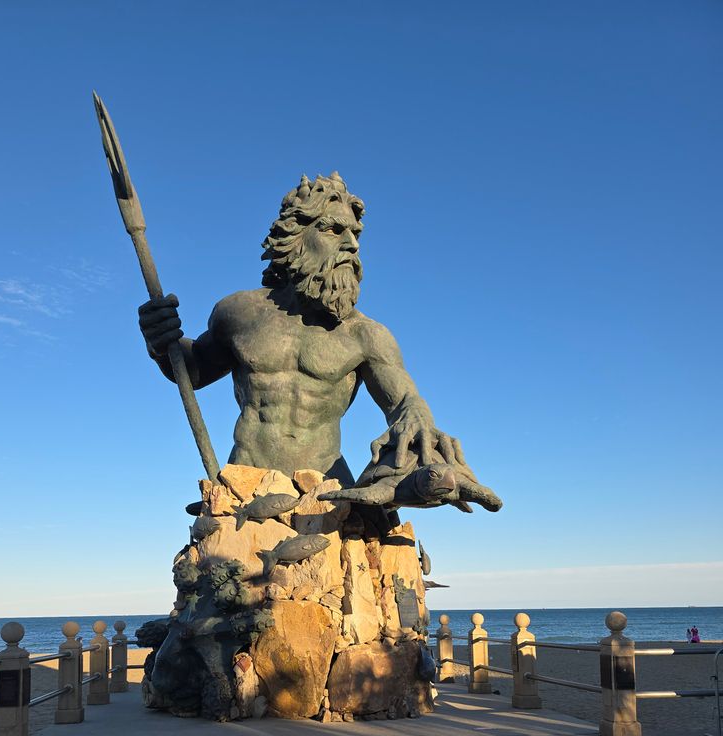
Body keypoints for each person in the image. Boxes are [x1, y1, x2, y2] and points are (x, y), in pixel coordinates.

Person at [138, 172, 498, 511]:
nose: (352, 244)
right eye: (334, 230)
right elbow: (193, 371)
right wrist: (161, 341)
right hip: (245, 486)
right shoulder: (239, 312)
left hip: (326, 491)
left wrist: (418, 418)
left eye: (355, 233)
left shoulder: (366, 334)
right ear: (296, 236)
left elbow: (404, 399)